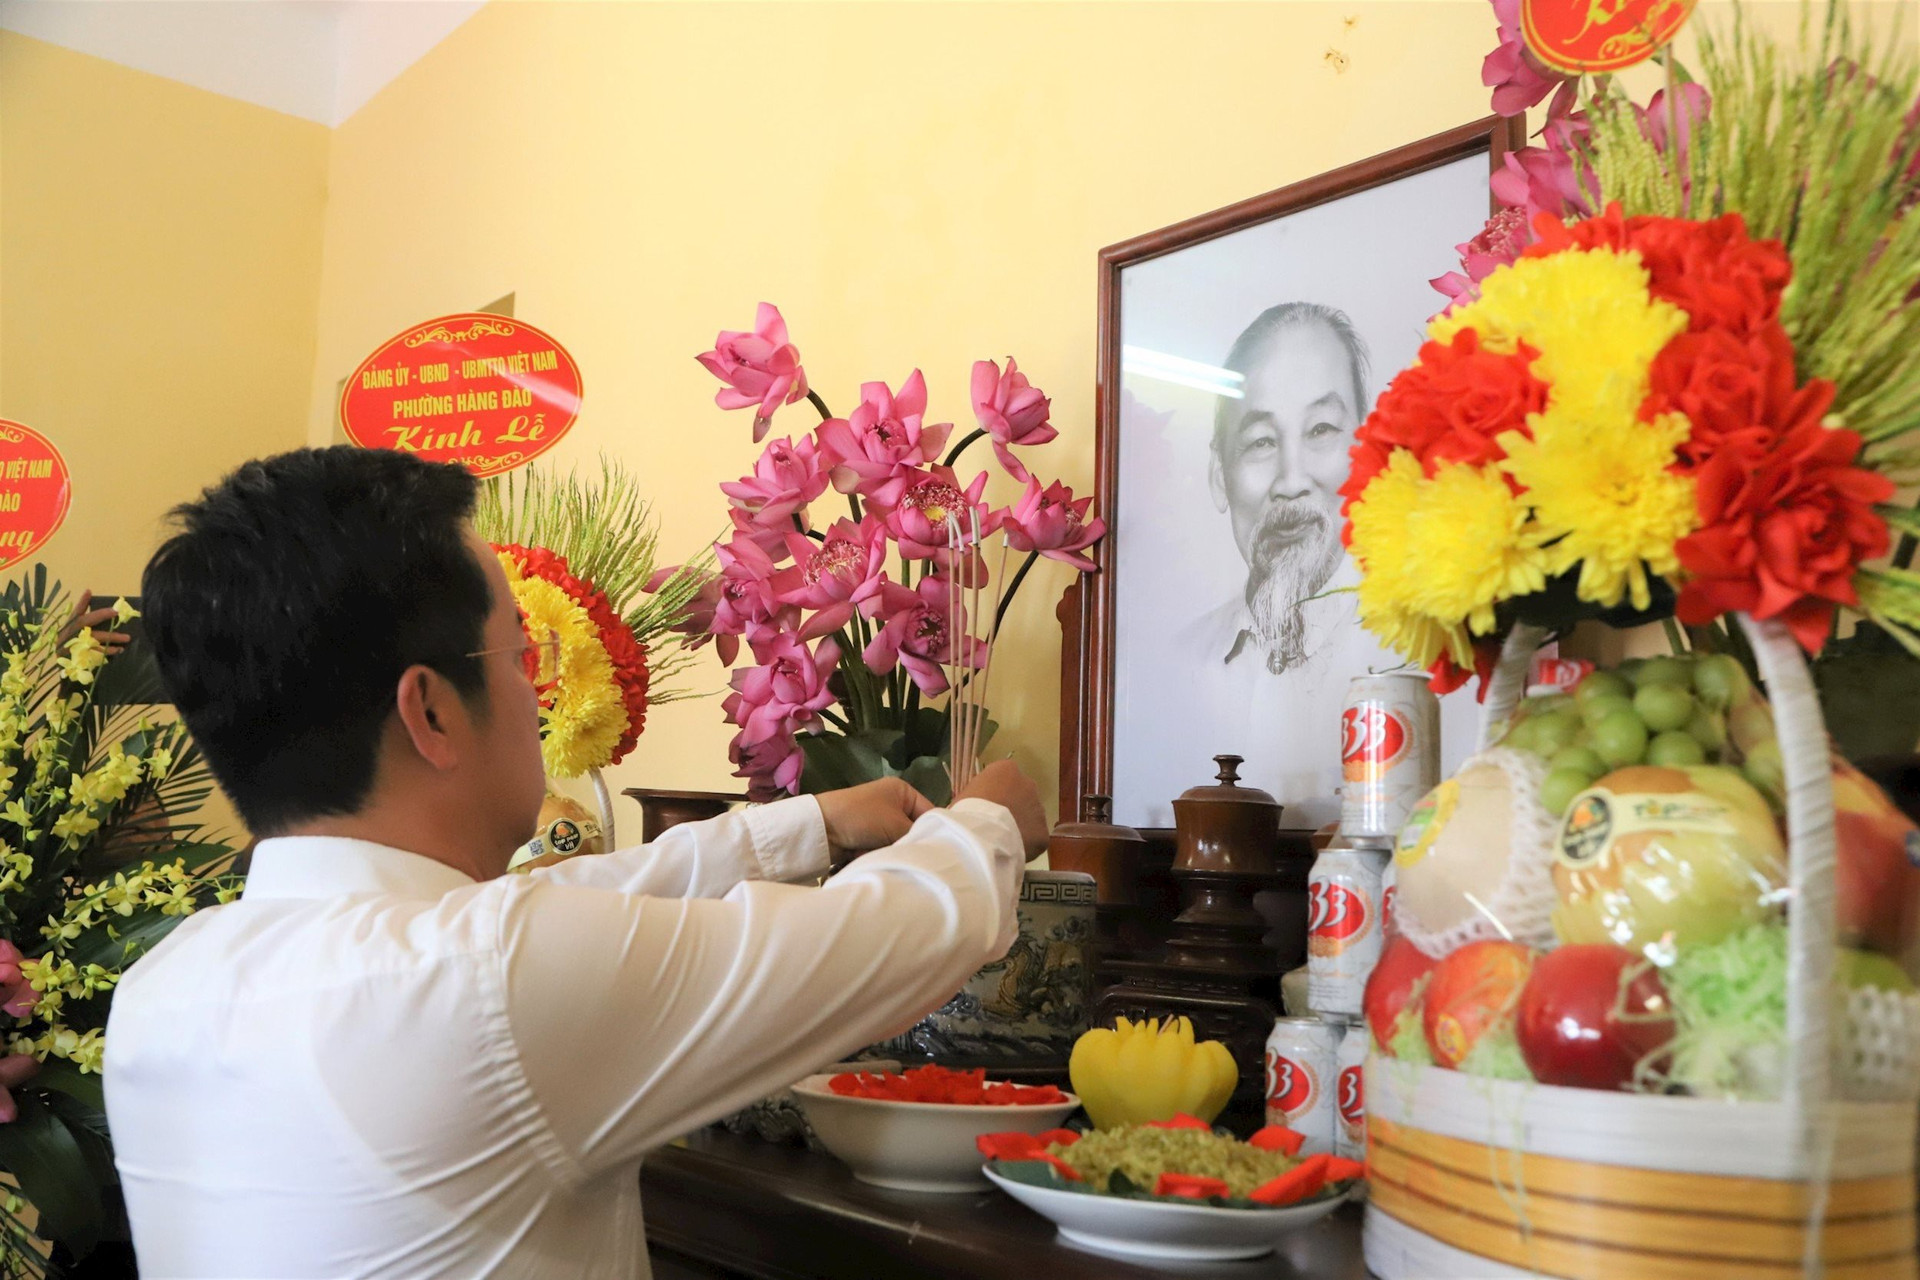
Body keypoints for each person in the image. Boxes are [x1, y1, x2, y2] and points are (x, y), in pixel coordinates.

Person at [104, 446, 1049, 1279]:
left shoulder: (161, 990)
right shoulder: (487, 984)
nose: (536, 695)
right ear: (430, 712)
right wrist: (984, 824)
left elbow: (566, 904)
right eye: (519, 654)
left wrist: (812, 825)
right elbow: (891, 935)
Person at [1182, 301, 1369, 676]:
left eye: (1321, 430)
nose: (1292, 482)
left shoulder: (1415, 649)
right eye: (1262, 441)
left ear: (1367, 452)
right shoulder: (1180, 665)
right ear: (1220, 474)